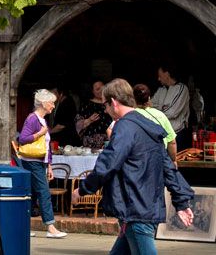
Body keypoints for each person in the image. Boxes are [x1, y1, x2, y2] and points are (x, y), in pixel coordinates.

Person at [72, 79, 195, 255]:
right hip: (140, 210)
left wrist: (82, 189)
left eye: (106, 105)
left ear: (114, 102)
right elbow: (168, 166)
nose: (105, 110)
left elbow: (108, 163)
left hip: (136, 211)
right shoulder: (147, 126)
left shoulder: (125, 126)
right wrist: (181, 202)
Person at [18, 89, 68, 239]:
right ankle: (50, 227)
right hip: (32, 161)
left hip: (39, 162)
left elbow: (46, 146)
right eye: (52, 103)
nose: (53, 105)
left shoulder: (41, 120)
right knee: (44, 192)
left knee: (32, 194)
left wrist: (49, 165)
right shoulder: (33, 119)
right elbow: (23, 138)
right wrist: (40, 133)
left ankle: (23, 227)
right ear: (44, 103)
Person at [133, 83, 178, 162]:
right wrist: (173, 161)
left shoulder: (130, 116)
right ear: (149, 98)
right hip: (159, 160)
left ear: (133, 99)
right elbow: (172, 142)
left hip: (138, 161)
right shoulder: (160, 115)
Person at [155, 64, 191, 151]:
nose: (158, 79)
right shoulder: (161, 90)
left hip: (177, 136)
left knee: (175, 163)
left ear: (167, 74)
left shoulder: (182, 88)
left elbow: (172, 112)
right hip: (162, 136)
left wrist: (154, 114)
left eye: (160, 76)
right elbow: (148, 105)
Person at [77, 81, 111, 149]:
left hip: (109, 141)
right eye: (98, 89)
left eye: (103, 88)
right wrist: (89, 120)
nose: (101, 91)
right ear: (92, 91)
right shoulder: (86, 104)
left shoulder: (111, 103)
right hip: (91, 142)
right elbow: (78, 125)